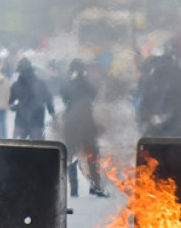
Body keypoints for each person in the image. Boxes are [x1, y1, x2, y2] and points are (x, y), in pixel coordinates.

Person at [55, 59, 108, 197]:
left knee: (71, 156)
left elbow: (64, 97)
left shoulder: (67, 83)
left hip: (72, 122)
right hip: (86, 122)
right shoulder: (87, 83)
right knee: (92, 155)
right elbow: (95, 95)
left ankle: (74, 188)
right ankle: (95, 186)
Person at [137, 47, 181, 136]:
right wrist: (147, 119)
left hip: (175, 128)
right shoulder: (150, 80)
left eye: (165, 60)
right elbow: (144, 104)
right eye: (159, 61)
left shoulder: (180, 79)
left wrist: (171, 118)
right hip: (155, 128)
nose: (162, 64)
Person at [10, 57, 55, 140]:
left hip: (34, 122)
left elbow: (48, 99)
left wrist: (51, 111)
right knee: (17, 148)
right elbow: (10, 101)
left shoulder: (40, 84)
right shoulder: (16, 86)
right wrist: (13, 106)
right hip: (24, 122)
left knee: (37, 149)